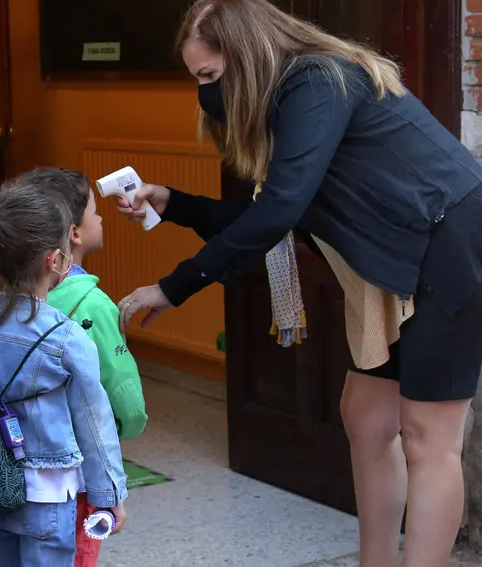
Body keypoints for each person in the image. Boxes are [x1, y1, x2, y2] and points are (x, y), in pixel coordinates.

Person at [114, 1, 482, 566]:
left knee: (429, 435)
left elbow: (280, 210)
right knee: (367, 414)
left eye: (210, 77)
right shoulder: (293, 98)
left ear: (247, 56)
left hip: (452, 244)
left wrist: (173, 287)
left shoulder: (319, 82)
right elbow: (277, 213)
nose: (206, 95)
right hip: (401, 252)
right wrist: (174, 203)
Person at [0, 172, 128, 567]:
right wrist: (108, 497)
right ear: (56, 260)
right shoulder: (68, 340)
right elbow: (94, 425)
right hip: (48, 495)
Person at [41, 167, 147, 567]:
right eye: (94, 212)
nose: (102, 218)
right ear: (74, 233)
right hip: (81, 476)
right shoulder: (95, 305)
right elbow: (124, 393)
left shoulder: (3, 305)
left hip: (24, 473)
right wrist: (127, 427)